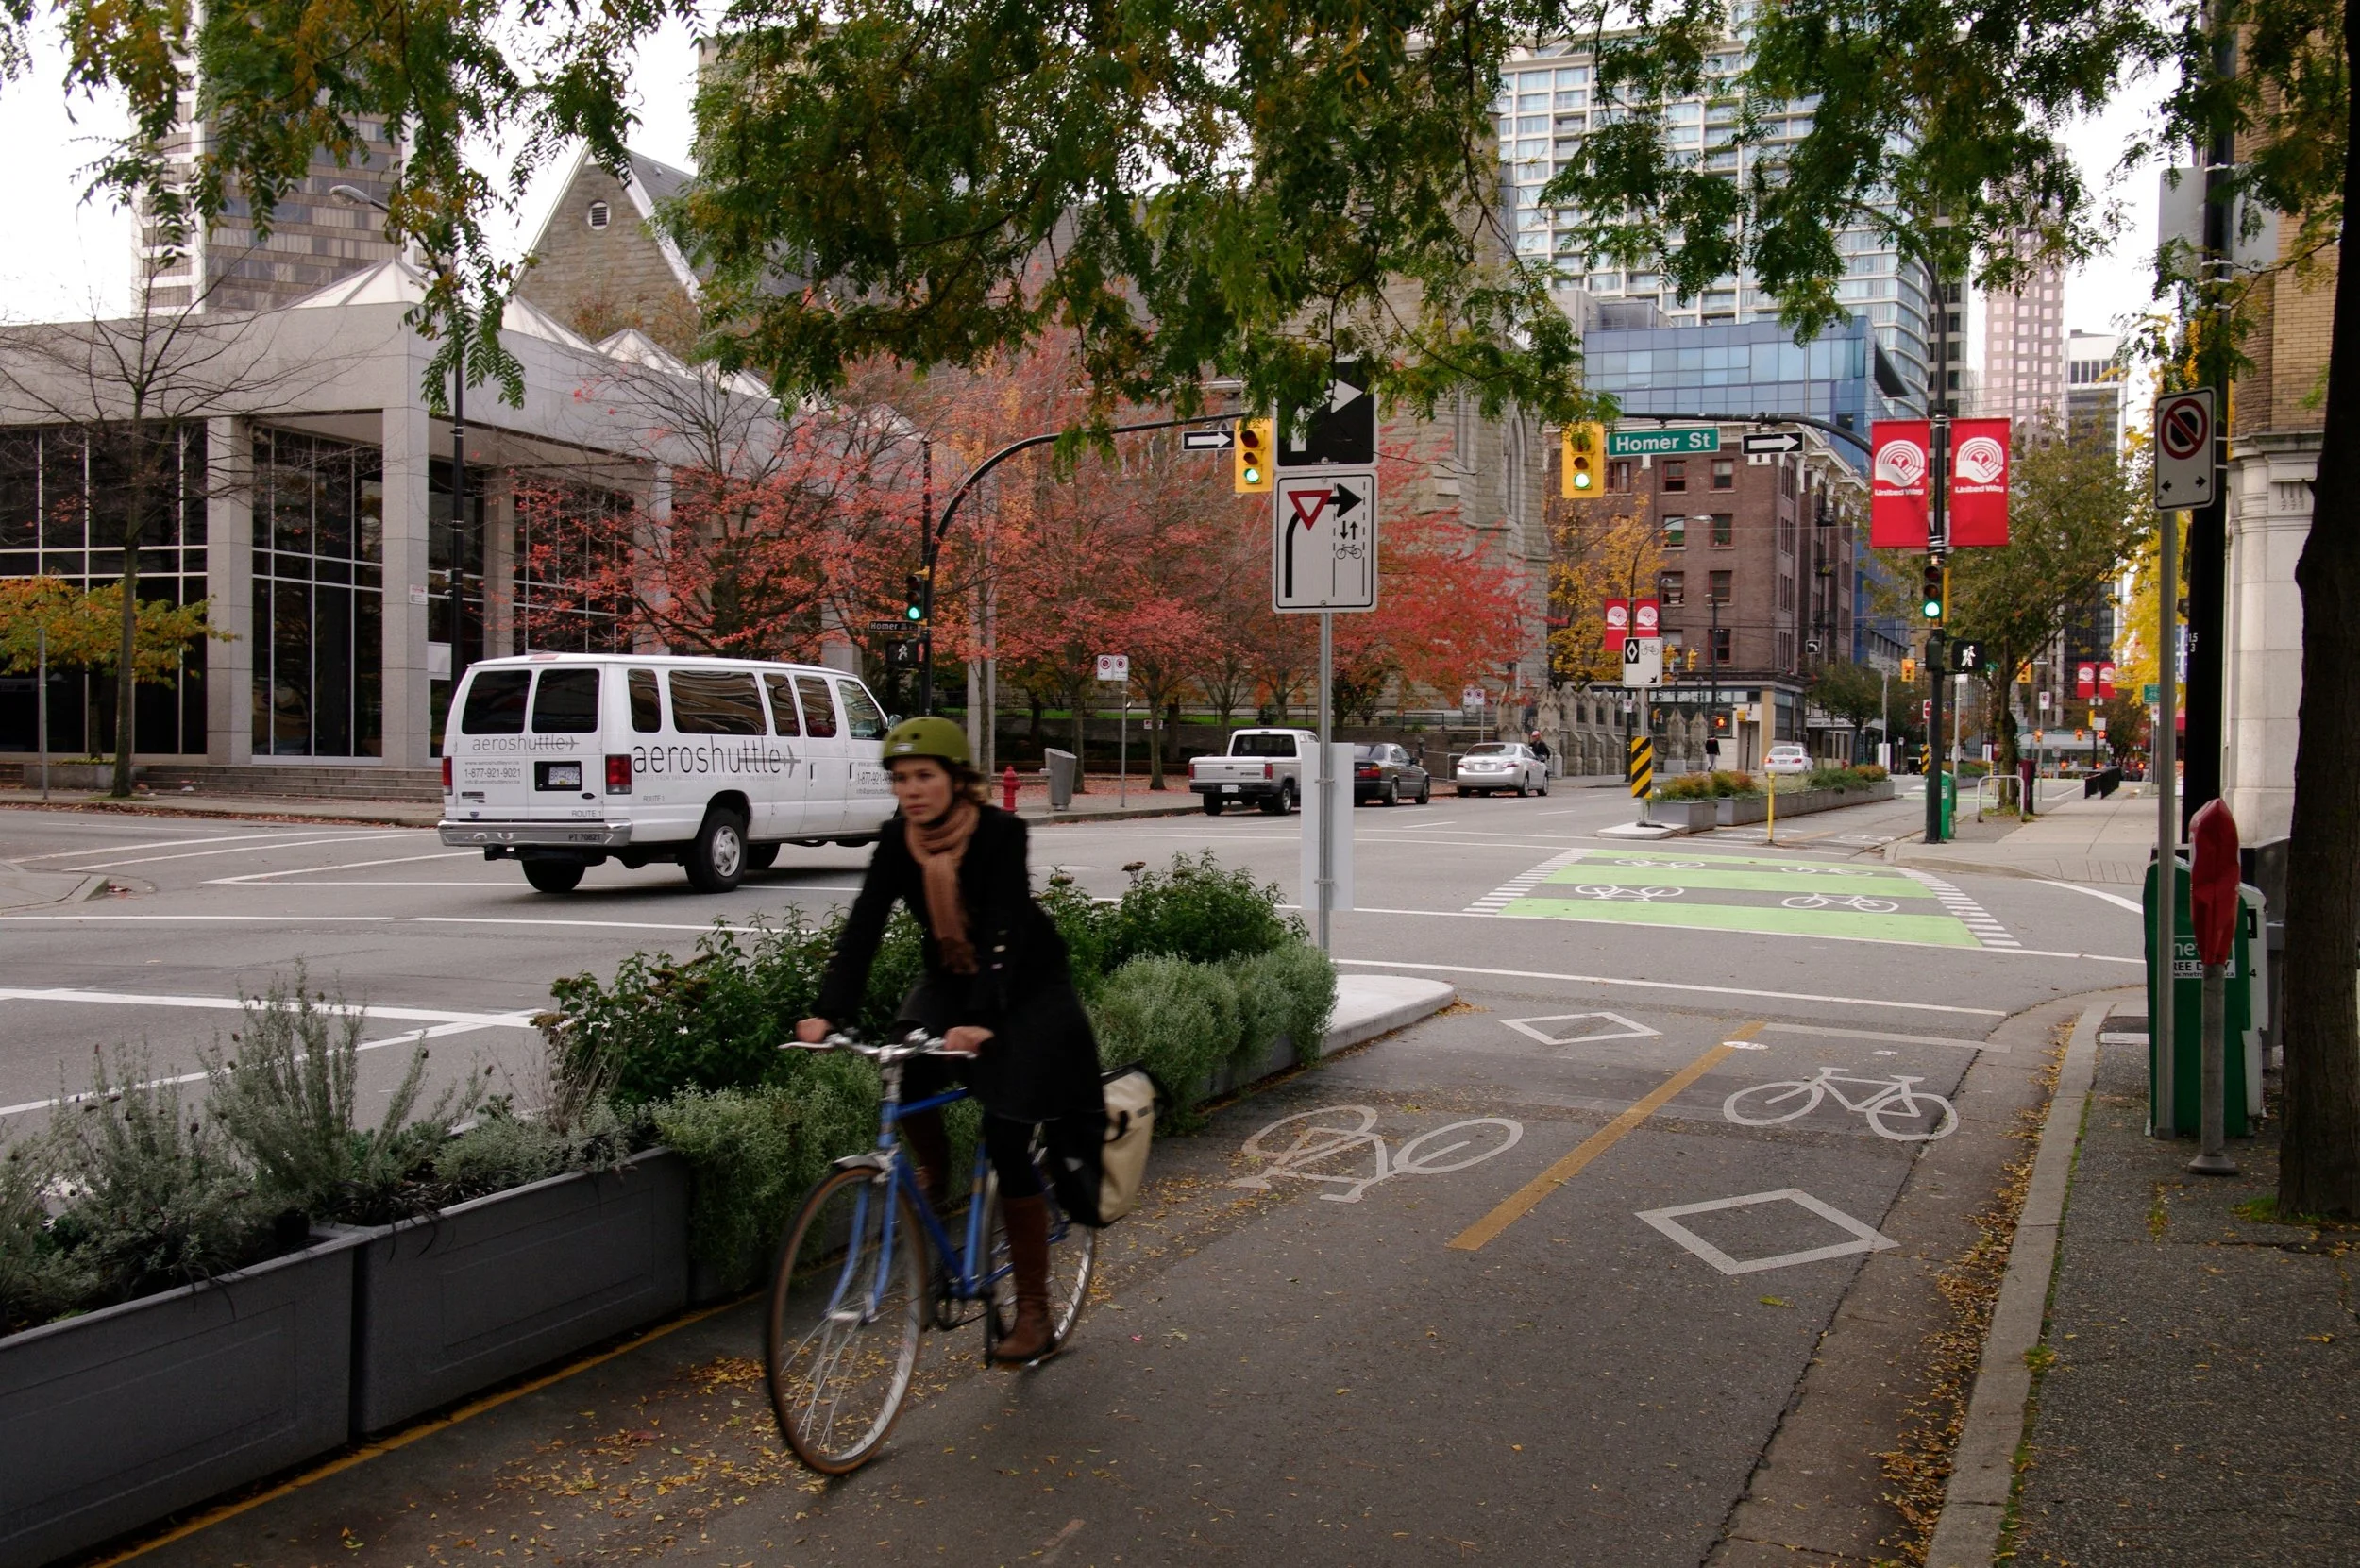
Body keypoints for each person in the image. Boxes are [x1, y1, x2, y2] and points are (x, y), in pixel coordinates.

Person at [796, 717, 1103, 1365]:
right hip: (950, 978)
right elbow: (863, 926)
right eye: (900, 779)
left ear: (957, 780)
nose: (911, 790)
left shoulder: (999, 833)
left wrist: (984, 1018)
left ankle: (1035, 1312)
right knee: (903, 1060)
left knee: (1007, 1130)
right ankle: (932, 1173)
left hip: (1026, 984)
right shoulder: (897, 840)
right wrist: (828, 1011)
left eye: (924, 776)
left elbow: (1003, 925)